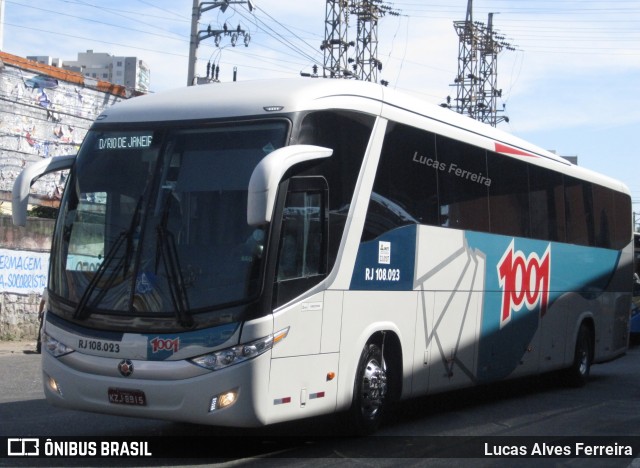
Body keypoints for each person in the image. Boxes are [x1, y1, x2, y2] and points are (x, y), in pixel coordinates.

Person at [36, 289, 48, 354]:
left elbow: (42, 303)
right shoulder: (46, 290)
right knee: (42, 331)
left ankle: (39, 347)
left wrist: (40, 313)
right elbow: (42, 303)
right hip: (47, 313)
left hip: (47, 314)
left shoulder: (46, 290)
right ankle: (39, 347)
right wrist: (40, 313)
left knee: (42, 330)